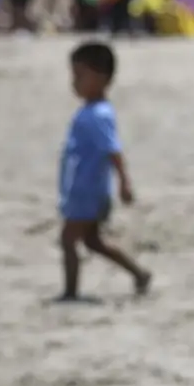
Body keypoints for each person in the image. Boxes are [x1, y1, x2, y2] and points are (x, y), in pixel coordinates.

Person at [58, 42, 151, 300]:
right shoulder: (90, 111)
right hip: (82, 188)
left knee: (68, 240)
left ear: (101, 78)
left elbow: (114, 151)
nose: (74, 83)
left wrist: (124, 182)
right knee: (92, 242)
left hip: (89, 191)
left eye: (80, 76)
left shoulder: (98, 115)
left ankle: (70, 291)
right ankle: (138, 273)